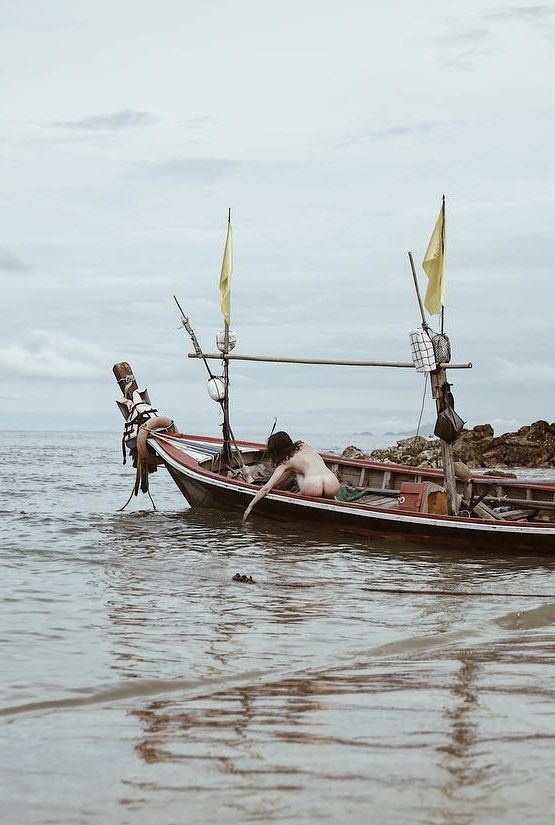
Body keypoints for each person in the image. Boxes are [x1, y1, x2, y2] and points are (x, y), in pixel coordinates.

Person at [243, 431, 340, 520]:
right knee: (298, 469)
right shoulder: (304, 445)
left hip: (312, 485)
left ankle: (299, 496)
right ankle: (334, 500)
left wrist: (250, 506)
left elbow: (266, 488)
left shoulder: (286, 462)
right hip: (332, 483)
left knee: (298, 472)